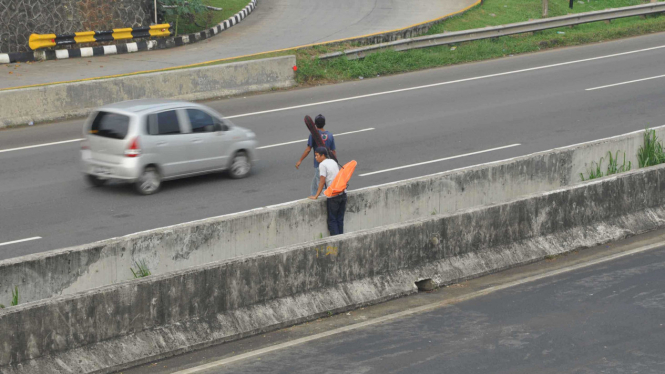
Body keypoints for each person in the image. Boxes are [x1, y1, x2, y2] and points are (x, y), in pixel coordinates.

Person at [295, 114, 337, 196]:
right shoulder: (330, 135)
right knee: (314, 184)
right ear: (324, 123)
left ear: (314, 124)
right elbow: (333, 152)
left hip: (319, 165)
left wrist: (300, 160)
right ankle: (313, 195)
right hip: (329, 163)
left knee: (320, 184)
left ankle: (323, 199)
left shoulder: (313, 135)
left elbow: (308, 149)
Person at [309, 147, 347, 235]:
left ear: (322, 155)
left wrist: (316, 196)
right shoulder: (333, 161)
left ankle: (335, 241)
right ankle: (341, 239)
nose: (315, 157)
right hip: (342, 193)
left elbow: (322, 181)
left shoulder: (322, 165)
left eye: (316, 155)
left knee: (332, 220)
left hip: (333, 196)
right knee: (340, 219)